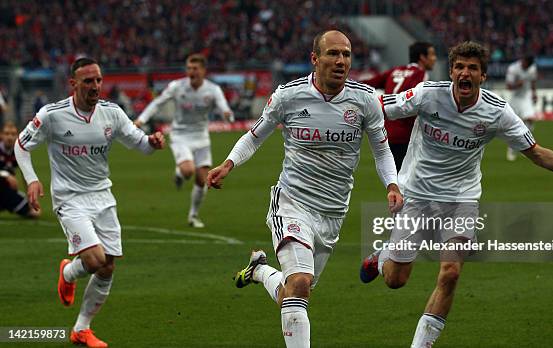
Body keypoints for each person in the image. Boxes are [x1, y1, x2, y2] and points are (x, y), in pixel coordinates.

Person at [359, 42, 553, 347]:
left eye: (472, 68)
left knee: (450, 273)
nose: (465, 72)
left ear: (483, 76)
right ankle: (382, 256)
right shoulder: (427, 94)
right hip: (417, 195)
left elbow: (537, 153)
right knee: (396, 280)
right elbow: (378, 107)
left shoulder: (496, 111)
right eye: (460, 66)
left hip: (462, 199)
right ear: (451, 72)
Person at [207, 30, 402, 347]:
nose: (341, 61)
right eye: (333, 53)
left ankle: (259, 272)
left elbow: (381, 151)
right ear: (315, 59)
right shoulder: (288, 96)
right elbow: (255, 135)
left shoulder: (365, 101)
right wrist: (228, 164)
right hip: (292, 202)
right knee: (299, 283)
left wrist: (392, 184)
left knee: (294, 291)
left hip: (333, 212)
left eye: (346, 54)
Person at [14, 57, 165, 348]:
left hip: (102, 196)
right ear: (73, 84)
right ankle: (70, 272)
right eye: (88, 81)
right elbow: (21, 146)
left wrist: (153, 143)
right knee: (95, 260)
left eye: (98, 80)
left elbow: (140, 144)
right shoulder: (52, 115)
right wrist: (32, 179)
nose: (95, 86)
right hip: (69, 199)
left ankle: (81, 328)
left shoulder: (112, 113)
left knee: (107, 267)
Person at [134, 54, 234, 228]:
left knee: (203, 180)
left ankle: (193, 216)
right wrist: (141, 120)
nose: (191, 72)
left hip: (202, 137)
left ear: (203, 70)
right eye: (188, 68)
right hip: (180, 135)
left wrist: (228, 115)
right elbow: (158, 103)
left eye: (195, 68)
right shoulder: (177, 86)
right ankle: (180, 174)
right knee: (188, 170)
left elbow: (224, 107)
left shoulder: (213, 90)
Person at [362, 42, 437, 170]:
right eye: (432, 54)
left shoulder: (395, 71)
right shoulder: (420, 74)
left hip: (387, 131)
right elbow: (414, 101)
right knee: (408, 182)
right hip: (405, 134)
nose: (434, 58)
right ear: (422, 57)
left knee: (396, 180)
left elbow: (368, 84)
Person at [0, 121, 40, 218]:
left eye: (13, 134)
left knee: (33, 213)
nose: (9, 137)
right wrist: (6, 175)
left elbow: (26, 176)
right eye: (6, 134)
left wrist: (32, 200)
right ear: (1, 135)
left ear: (17, 136)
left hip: (7, 191)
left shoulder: (18, 151)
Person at [505, 55, 537, 161]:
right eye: (525, 65)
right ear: (523, 61)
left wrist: (534, 93)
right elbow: (508, 86)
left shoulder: (532, 69)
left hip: (526, 97)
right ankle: (511, 149)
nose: (527, 67)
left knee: (530, 119)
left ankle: (526, 147)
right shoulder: (513, 69)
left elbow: (533, 81)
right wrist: (517, 85)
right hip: (514, 98)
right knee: (514, 126)